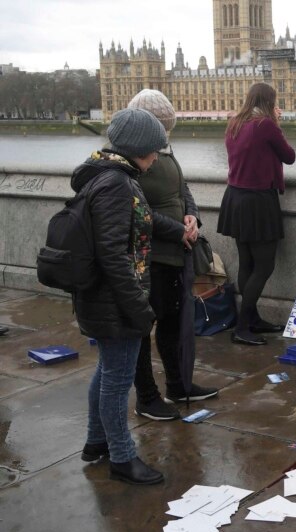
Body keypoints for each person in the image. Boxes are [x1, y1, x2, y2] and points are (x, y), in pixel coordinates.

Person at [76, 108, 175, 485]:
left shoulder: (104, 175)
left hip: (101, 298)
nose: (155, 158)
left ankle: (95, 442)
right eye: (152, 150)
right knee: (117, 382)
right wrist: (139, 307)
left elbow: (136, 225)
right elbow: (113, 254)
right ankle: (121, 457)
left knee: (106, 371)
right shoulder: (117, 184)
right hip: (115, 301)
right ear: (136, 148)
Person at [126, 89, 219, 420]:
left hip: (176, 254)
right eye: (161, 129)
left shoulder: (163, 149)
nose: (165, 137)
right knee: (143, 330)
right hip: (150, 257)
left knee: (172, 324)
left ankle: (178, 385)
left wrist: (192, 215)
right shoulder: (130, 159)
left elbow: (183, 190)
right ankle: (147, 397)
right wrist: (176, 229)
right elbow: (138, 211)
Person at [218, 82, 296, 346]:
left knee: (247, 262)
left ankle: (252, 319)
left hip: (235, 198)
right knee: (264, 265)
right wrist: (276, 122)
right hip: (258, 201)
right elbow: (289, 156)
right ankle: (241, 327)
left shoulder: (234, 123)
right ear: (268, 101)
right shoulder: (266, 125)